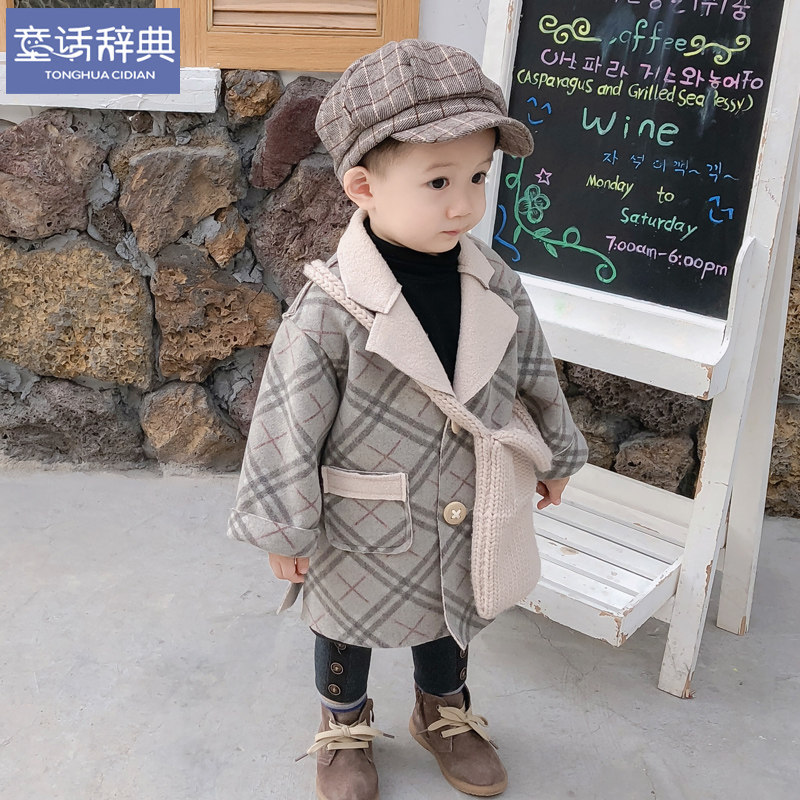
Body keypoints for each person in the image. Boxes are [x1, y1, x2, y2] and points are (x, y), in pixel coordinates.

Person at [227, 38, 588, 800]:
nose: (465, 204)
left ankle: (442, 710)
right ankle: (343, 721)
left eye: (478, 176)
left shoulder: (494, 283)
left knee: (452, 611)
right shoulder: (329, 311)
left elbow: (534, 373)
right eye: (438, 181)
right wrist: (286, 530)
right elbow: (288, 422)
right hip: (362, 514)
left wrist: (556, 456)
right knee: (345, 622)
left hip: (465, 497)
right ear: (363, 186)